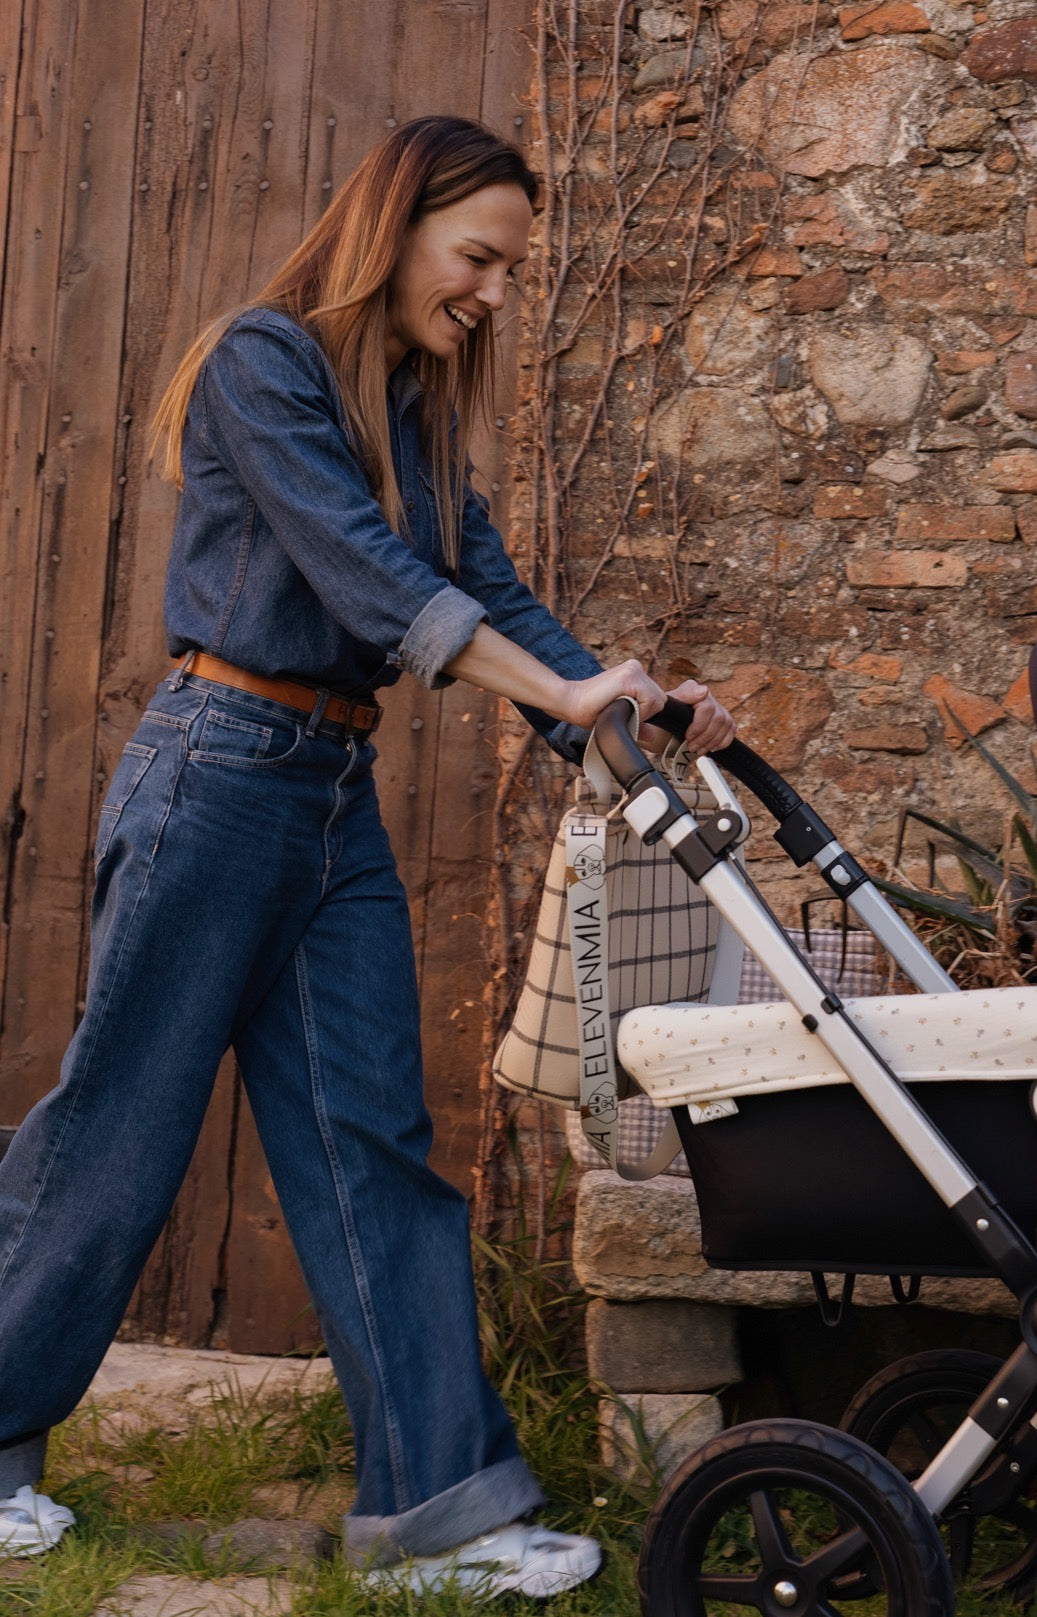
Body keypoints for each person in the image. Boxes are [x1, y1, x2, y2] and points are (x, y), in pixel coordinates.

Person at [0, 114, 735, 1595]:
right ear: (392, 229)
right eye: (479, 258)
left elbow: (489, 590)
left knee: (373, 1147)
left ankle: (436, 1517)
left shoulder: (417, 412)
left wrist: (629, 708)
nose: (496, 294)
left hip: (329, 796)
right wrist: (567, 698)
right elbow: (368, 573)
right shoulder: (262, 362)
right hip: (216, 775)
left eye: (511, 269)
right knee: (118, 1134)